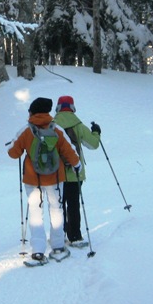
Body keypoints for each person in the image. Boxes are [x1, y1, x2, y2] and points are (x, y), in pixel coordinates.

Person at [7, 97, 82, 266]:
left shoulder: (26, 131)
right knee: (57, 210)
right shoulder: (57, 129)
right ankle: (58, 246)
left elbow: (13, 153)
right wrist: (77, 166)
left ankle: (38, 251)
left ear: (32, 112)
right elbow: (69, 151)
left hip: (32, 180)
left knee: (35, 213)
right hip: (56, 178)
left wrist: (15, 144)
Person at [53, 95, 101, 248]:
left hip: (56, 173)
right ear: (72, 107)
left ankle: (58, 236)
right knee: (73, 204)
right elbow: (93, 145)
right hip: (75, 172)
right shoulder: (78, 124)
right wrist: (96, 132)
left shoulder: (52, 125)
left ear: (58, 108)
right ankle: (74, 236)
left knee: (58, 205)